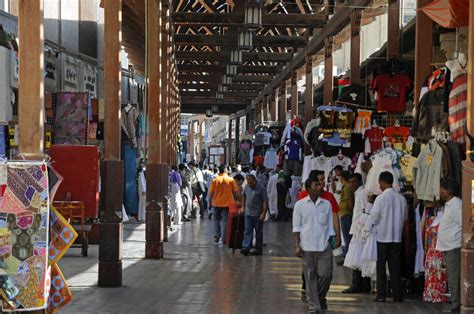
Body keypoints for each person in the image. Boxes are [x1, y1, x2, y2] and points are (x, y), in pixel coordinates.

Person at [297, 170, 341, 304]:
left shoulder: (329, 197)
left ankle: (319, 297)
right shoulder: (303, 196)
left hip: (324, 241)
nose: (323, 183)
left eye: (323, 180)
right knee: (311, 272)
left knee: (326, 274)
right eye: (320, 180)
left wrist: (338, 235)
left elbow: (334, 216)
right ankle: (313, 298)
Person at [370, 171, 407, 303]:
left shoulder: (380, 199)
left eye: (380, 183)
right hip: (396, 238)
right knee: (395, 267)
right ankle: (397, 295)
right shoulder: (401, 199)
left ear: (384, 182)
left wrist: (367, 230)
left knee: (381, 267)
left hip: (382, 237)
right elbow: (404, 218)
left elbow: (373, 217)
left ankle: (381, 295)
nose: (379, 186)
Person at [343, 173, 371, 293]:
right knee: (357, 256)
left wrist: (361, 228)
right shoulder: (357, 193)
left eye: (354, 182)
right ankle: (361, 283)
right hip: (357, 227)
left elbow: (366, 210)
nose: (352, 184)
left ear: (360, 182)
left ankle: (358, 284)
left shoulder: (362, 193)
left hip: (361, 229)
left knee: (357, 256)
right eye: (350, 182)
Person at [437, 178, 462, 314]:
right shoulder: (449, 204)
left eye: (442, 189)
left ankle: (456, 305)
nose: (440, 192)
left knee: (454, 277)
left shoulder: (457, 205)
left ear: (449, 191)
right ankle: (455, 303)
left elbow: (463, 224)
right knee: (452, 277)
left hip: (454, 247)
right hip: (448, 247)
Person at [209, 165, 241, 243]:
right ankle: (224, 239)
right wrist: (239, 201)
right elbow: (235, 192)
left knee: (216, 219)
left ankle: (217, 235)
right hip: (227, 204)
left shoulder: (215, 180)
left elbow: (211, 193)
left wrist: (209, 202)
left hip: (216, 203)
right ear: (226, 171)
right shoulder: (231, 180)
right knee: (225, 221)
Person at [240, 174, 269, 256]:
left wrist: (263, 213)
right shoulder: (246, 187)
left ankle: (258, 249)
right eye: (248, 182)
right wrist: (243, 207)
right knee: (247, 231)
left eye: (251, 182)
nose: (249, 184)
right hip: (248, 213)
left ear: (254, 181)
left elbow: (265, 201)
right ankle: (246, 248)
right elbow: (244, 196)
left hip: (257, 214)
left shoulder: (261, 188)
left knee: (258, 232)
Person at [338, 171, 354, 261]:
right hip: (345, 214)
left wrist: (352, 214)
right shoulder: (347, 187)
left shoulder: (347, 188)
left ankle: (346, 258)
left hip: (346, 214)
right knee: (347, 237)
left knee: (347, 238)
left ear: (342, 178)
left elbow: (349, 202)